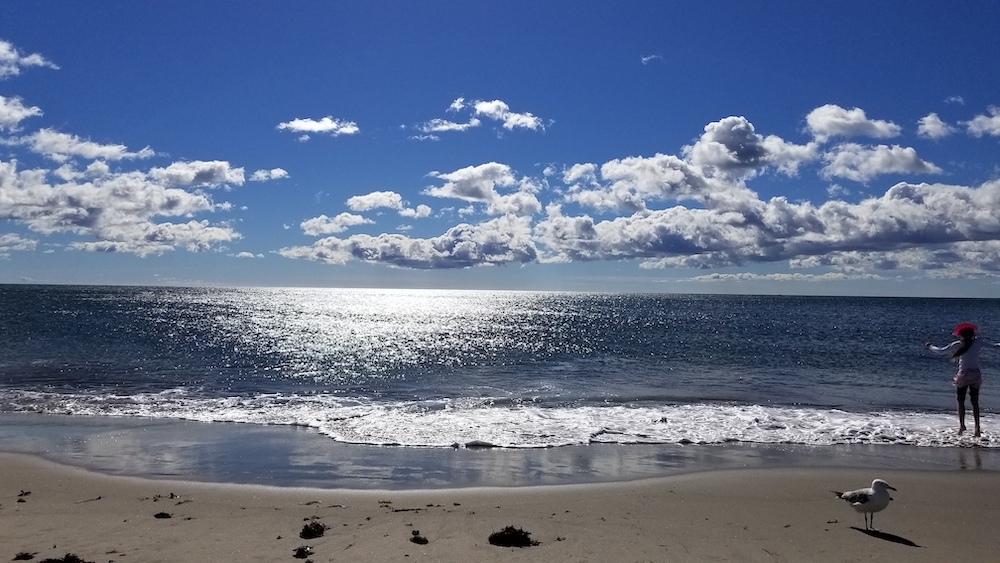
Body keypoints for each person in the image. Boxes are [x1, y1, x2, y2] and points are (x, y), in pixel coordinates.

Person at [925, 323, 999, 437]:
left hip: (963, 375)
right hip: (975, 374)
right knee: (975, 402)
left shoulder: (958, 344)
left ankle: (962, 426)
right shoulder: (978, 342)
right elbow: (996, 346)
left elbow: (941, 351)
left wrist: (930, 346)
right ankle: (977, 428)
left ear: (961, 335)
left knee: (960, 401)